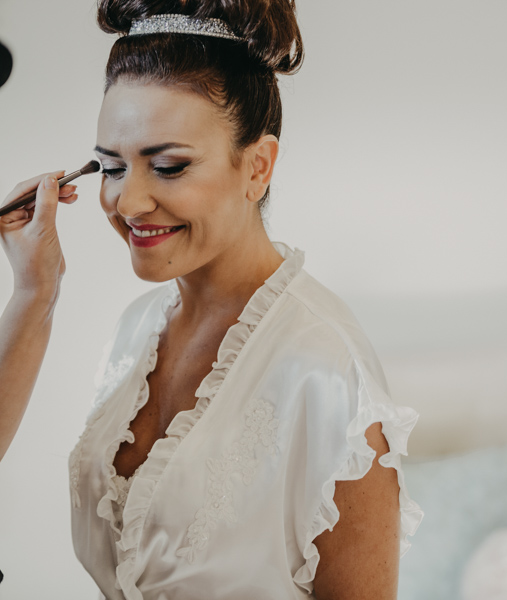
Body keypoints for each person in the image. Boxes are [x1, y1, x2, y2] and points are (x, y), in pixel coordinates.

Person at [0, 1, 423, 598]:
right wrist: (32, 292)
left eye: (169, 167)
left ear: (257, 167)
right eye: (112, 167)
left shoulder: (327, 374)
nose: (128, 203)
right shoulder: (135, 331)